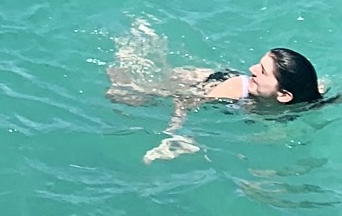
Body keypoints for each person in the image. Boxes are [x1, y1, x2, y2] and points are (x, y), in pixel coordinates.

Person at [107, 45, 329, 162]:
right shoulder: (234, 88)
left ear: (284, 95)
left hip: (242, 93)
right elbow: (184, 102)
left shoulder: (310, 97)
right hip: (209, 83)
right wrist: (174, 134)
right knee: (129, 97)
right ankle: (127, 58)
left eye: (261, 71)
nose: (251, 68)